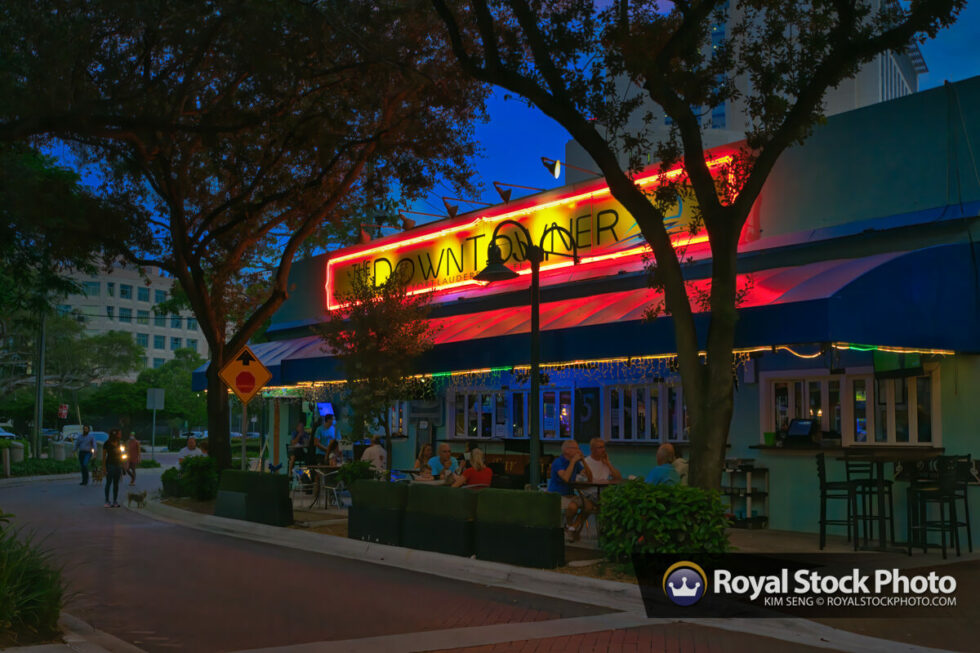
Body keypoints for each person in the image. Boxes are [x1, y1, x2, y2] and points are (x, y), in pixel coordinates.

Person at [547, 440, 594, 541]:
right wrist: (572, 462)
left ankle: (572, 527)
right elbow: (566, 478)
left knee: (589, 506)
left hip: (570, 495)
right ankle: (569, 525)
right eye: (576, 448)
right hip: (557, 495)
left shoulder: (576, 463)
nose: (578, 450)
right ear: (566, 450)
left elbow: (590, 478)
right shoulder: (558, 462)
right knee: (572, 507)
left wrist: (584, 461)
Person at [102, 429, 125, 507]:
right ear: (115, 435)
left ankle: (115, 501)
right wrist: (104, 467)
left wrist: (122, 466)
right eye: (119, 434)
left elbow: (121, 455)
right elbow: (104, 456)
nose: (120, 435)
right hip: (110, 465)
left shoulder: (119, 443)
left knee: (116, 484)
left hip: (117, 465)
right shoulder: (107, 443)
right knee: (108, 483)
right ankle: (107, 501)